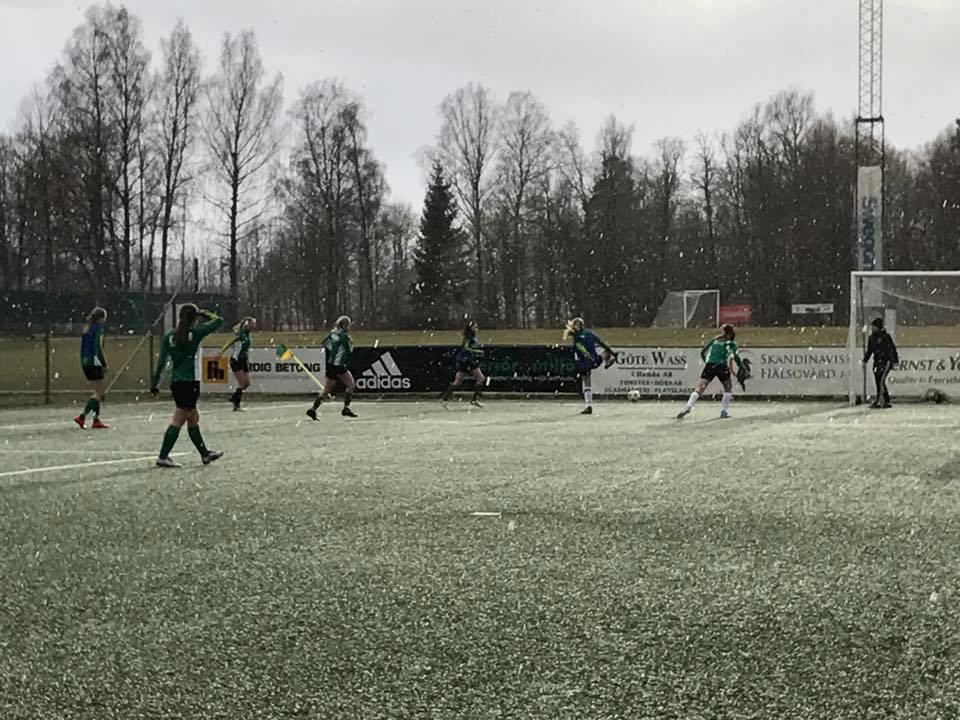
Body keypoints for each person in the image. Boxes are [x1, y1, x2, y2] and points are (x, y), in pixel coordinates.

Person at [150, 304, 224, 468]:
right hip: (190, 382)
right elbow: (218, 321)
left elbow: (161, 362)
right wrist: (204, 312)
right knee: (179, 419)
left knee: (193, 418)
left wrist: (154, 384)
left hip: (177, 382)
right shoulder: (195, 333)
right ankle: (162, 456)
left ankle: (205, 454)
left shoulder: (169, 336)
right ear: (194, 318)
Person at [677, 324, 744, 420]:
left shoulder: (715, 340)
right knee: (728, 388)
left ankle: (688, 406)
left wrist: (707, 362)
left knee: (699, 388)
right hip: (722, 366)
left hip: (710, 365)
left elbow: (703, 352)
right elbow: (736, 357)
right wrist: (742, 367)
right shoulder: (731, 343)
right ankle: (724, 411)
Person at [306, 315, 358, 420]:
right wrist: (350, 345)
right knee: (351, 384)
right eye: (348, 325)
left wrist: (334, 350)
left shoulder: (333, 334)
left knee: (326, 390)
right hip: (338, 365)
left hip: (331, 364)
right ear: (344, 325)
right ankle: (346, 408)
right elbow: (348, 351)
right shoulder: (344, 336)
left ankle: (313, 409)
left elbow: (325, 343)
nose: (349, 327)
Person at [564, 317, 617, 415]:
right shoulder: (589, 333)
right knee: (606, 353)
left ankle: (589, 406)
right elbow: (602, 344)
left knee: (587, 383)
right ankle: (608, 361)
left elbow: (580, 347)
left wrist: (586, 354)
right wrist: (613, 353)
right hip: (593, 360)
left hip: (583, 363)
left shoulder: (577, 336)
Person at [74, 306, 109, 429]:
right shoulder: (98, 330)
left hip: (85, 362)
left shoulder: (87, 329)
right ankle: (82, 416)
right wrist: (104, 363)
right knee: (98, 392)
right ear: (100, 319)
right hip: (94, 361)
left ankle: (96, 419)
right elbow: (98, 348)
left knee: (96, 391)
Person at [441, 320, 486, 408]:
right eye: (475, 327)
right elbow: (467, 348)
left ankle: (444, 400)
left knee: (457, 381)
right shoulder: (468, 338)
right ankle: (474, 400)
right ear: (470, 328)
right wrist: (478, 351)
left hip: (464, 360)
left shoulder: (470, 337)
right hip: (467, 360)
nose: (477, 329)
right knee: (480, 378)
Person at [863, 317, 899, 408]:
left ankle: (881, 400)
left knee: (881, 380)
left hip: (885, 361)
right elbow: (870, 350)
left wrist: (894, 360)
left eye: (874, 326)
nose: (872, 328)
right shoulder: (872, 338)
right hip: (877, 362)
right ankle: (884, 399)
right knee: (878, 381)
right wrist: (865, 360)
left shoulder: (885, 337)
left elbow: (892, 349)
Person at [221, 316, 256, 411]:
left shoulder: (248, 334)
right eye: (252, 324)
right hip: (236, 360)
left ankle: (234, 397)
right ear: (247, 324)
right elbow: (230, 342)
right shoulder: (240, 334)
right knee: (242, 383)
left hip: (243, 359)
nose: (254, 326)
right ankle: (236, 404)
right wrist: (221, 352)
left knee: (247, 383)